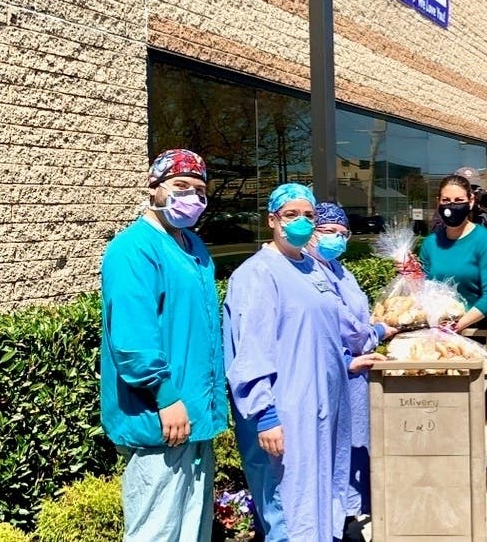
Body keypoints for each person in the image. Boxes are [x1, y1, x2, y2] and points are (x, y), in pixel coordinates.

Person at [222, 183, 386, 542]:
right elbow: (250, 351)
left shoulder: (313, 270)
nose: (301, 221)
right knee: (290, 512)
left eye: (308, 215)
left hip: (322, 413)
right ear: (272, 220)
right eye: (291, 214)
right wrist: (265, 415)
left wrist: (348, 359)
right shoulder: (257, 275)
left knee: (321, 504)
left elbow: (325, 333)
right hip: (285, 416)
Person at [99, 148, 228, 542]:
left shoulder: (194, 247)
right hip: (161, 416)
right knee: (156, 530)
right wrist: (166, 395)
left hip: (195, 414)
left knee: (192, 529)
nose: (192, 197)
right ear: (153, 187)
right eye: (180, 185)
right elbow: (132, 337)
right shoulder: (132, 249)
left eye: (200, 190)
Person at [416, 173, 487, 538]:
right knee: (451, 413)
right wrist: (413, 285)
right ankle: (459, 487)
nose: (451, 207)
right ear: (438, 204)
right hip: (445, 337)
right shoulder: (430, 244)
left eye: (458, 201)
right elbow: (426, 291)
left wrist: (458, 324)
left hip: (486, 332)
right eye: (445, 201)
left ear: (471, 202)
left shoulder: (484, 239)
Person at [304, 201, 396, 537]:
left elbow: (358, 315)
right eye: (328, 231)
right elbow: (344, 325)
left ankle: (345, 520)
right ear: (311, 233)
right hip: (333, 374)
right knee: (329, 455)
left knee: (352, 451)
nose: (336, 239)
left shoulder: (342, 272)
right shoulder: (309, 274)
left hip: (356, 376)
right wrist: (378, 332)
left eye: (343, 234)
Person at [430, 166, 487, 255]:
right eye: (467, 189)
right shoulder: (446, 210)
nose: (472, 193)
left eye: (474, 188)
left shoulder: (482, 212)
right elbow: (439, 236)